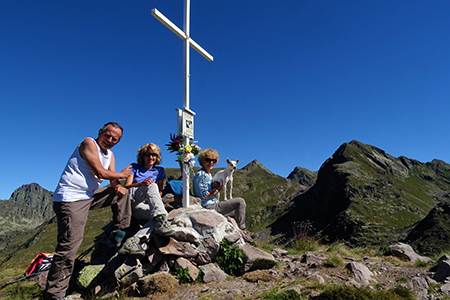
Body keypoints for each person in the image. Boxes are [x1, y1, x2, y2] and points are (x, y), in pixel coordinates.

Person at [45, 122, 132, 300]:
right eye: (107, 135)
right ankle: (54, 295)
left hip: (88, 196)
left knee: (122, 194)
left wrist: (118, 187)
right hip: (71, 199)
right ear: (100, 132)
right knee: (69, 247)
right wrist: (122, 176)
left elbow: (112, 178)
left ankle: (120, 232)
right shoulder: (88, 143)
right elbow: (100, 172)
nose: (109, 140)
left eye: (114, 139)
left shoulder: (110, 154)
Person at [118, 143, 174, 256]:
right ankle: (159, 218)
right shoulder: (134, 167)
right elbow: (127, 185)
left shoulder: (160, 171)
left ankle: (134, 241)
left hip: (144, 204)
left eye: (153, 154)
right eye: (147, 154)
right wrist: (141, 184)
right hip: (133, 198)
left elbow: (160, 192)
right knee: (152, 186)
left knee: (161, 217)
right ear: (142, 156)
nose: (150, 157)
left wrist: (152, 199)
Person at [193, 149, 248, 232]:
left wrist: (213, 186)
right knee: (240, 202)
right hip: (208, 206)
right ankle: (243, 230)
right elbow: (205, 196)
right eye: (208, 160)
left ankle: (236, 232)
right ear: (202, 161)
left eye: (213, 160)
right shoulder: (202, 175)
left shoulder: (208, 174)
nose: (211, 162)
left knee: (235, 212)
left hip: (211, 204)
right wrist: (218, 190)